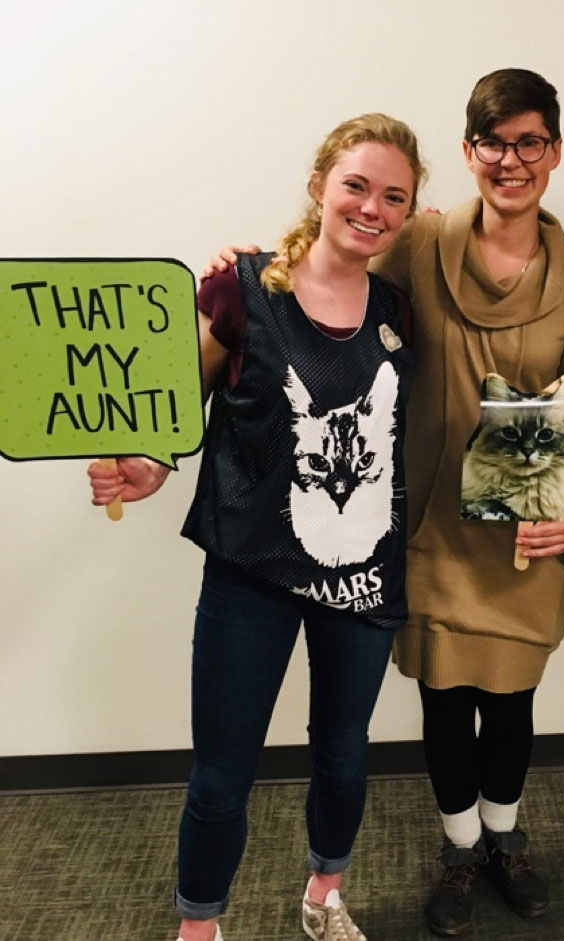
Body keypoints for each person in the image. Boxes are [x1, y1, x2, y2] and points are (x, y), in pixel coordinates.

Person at [205, 68, 564, 937]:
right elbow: (321, 262)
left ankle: (505, 837)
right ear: (468, 153)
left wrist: (563, 503)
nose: (510, 158)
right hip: (424, 520)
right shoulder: (421, 244)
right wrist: (238, 274)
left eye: (529, 141)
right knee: (443, 696)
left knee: (510, 699)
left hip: (524, 517)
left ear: (554, 153)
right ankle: (459, 846)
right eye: (492, 142)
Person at [88, 113, 425, 941]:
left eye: (393, 195)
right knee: (222, 772)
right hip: (250, 571)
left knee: (343, 754)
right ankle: (199, 925)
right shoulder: (241, 285)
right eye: (355, 184)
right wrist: (150, 467)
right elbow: (180, 407)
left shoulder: (402, 311)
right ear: (318, 186)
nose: (371, 207)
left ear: (410, 213)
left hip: (363, 576)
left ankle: (323, 895)